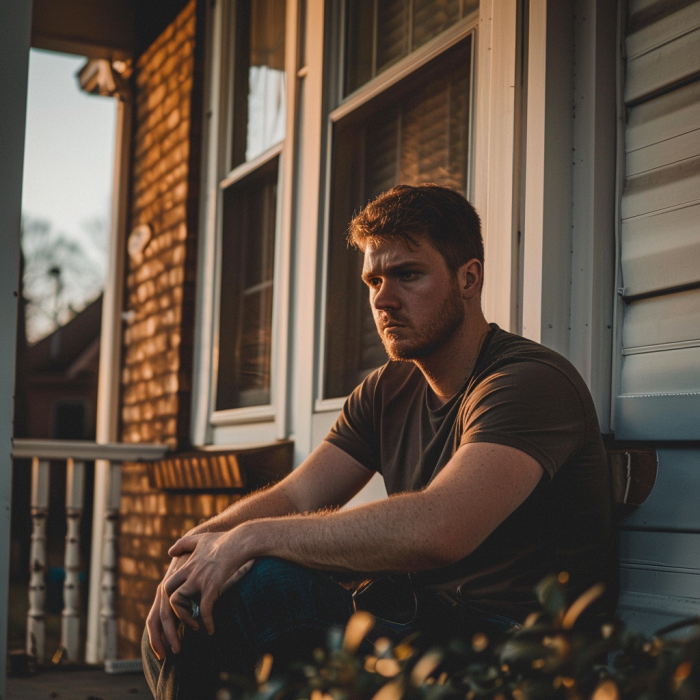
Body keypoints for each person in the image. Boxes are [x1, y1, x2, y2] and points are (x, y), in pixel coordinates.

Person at [142, 184, 615, 699]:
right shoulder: (390, 386)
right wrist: (190, 555)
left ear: (469, 278)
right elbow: (299, 496)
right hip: (417, 624)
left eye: (408, 275)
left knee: (260, 589)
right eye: (373, 280)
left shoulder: (526, 381)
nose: (383, 300)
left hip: (512, 651)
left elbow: (441, 527)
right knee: (189, 604)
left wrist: (247, 540)